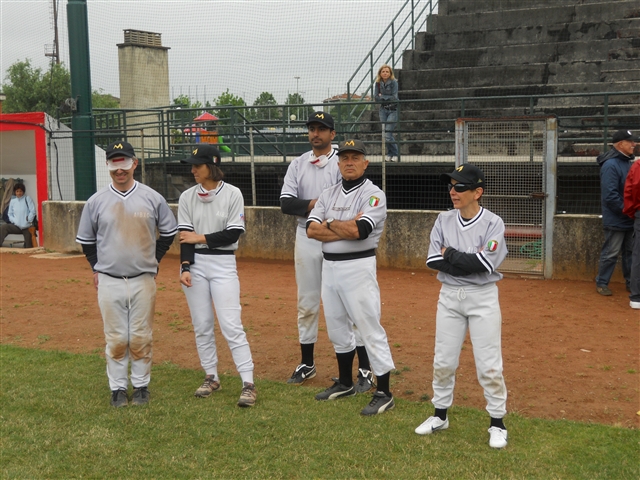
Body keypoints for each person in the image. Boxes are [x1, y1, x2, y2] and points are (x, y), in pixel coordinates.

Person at [76, 141, 178, 407]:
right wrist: (95, 267)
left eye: (124, 162)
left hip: (143, 279)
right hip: (109, 279)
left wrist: (153, 260)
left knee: (141, 335)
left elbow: (168, 232)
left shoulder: (152, 197)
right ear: (108, 166)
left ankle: (142, 386)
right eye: (113, 163)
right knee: (117, 337)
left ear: (135, 163)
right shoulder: (96, 201)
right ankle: (118, 388)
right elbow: (86, 240)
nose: (119, 169)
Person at [414, 164, 509, 449]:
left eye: (460, 187)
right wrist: (465, 261)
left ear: (477, 192)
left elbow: (485, 264)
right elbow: (432, 261)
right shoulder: (443, 220)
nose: (453, 192)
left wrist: (450, 254)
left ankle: (497, 422)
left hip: (483, 298)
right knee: (443, 361)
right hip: (449, 296)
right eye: (451, 186)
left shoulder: (494, 222)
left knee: (489, 365)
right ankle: (440, 415)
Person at [280, 111, 375, 393]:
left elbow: (350, 199)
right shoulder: (298, 164)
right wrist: (320, 204)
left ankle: (365, 369)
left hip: (338, 237)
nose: (315, 133)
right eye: (312, 128)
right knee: (307, 302)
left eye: (322, 128)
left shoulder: (342, 161)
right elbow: (286, 203)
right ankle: (307, 364)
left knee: (349, 303)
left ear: (333, 134)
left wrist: (322, 212)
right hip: (306, 235)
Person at [307, 139, 396, 416]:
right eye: (344, 157)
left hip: (358, 267)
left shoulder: (374, 194)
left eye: (355, 157)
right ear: (338, 162)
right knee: (336, 328)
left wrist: (330, 222)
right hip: (330, 267)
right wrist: (340, 226)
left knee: (369, 328)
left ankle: (384, 392)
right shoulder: (328, 193)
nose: (349, 162)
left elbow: (361, 231)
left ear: (365, 163)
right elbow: (311, 230)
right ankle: (345, 382)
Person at [178, 144, 257, 407]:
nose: (192, 170)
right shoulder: (187, 196)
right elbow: (184, 237)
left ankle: (248, 382)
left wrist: (200, 237)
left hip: (223, 264)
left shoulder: (233, 193)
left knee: (231, 325)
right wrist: (186, 266)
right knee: (202, 324)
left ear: (211, 166)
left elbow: (233, 233)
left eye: (197, 166)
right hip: (196, 264)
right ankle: (211, 376)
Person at [595, 129, 636, 296]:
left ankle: (631, 282)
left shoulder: (627, 163)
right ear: (620, 144)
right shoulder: (611, 165)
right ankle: (602, 282)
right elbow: (610, 196)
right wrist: (628, 211)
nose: (634, 144)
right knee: (611, 253)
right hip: (618, 217)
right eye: (630, 142)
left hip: (627, 216)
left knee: (631, 253)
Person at [623, 140, 640, 309]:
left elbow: (631, 191)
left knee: (638, 256)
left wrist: (632, 212)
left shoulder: (637, 165)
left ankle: (636, 297)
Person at [374, 64, 399, 162]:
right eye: (383, 71)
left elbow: (394, 97)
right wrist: (383, 97)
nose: (385, 73)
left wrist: (382, 96)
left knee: (388, 134)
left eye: (387, 72)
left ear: (390, 73)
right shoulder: (378, 83)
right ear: (380, 73)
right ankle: (390, 153)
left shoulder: (394, 82)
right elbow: (376, 97)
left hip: (392, 110)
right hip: (383, 110)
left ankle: (395, 154)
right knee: (385, 134)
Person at [0, 183, 36, 248]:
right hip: (16, 226)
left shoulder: (27, 199)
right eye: (17, 191)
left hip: (27, 227)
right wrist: (14, 221)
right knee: (4, 227)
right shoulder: (13, 201)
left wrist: (28, 220)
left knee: (29, 246)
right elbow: (9, 214)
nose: (19, 193)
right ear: (15, 192)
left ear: (23, 192)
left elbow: (32, 211)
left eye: (20, 191)